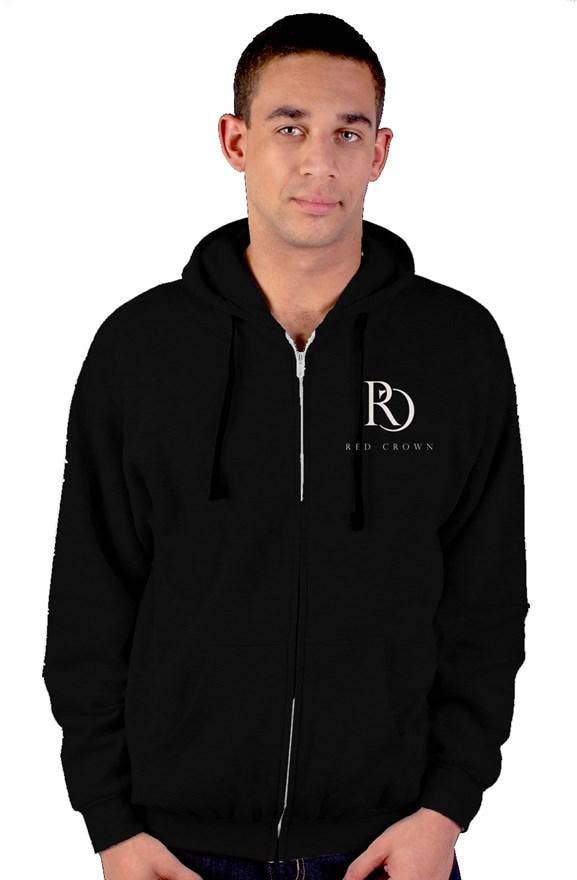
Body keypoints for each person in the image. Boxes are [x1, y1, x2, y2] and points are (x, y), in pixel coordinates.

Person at [41, 12, 529, 880]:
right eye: (290, 127)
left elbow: (485, 599)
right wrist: (109, 823)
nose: (319, 163)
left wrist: (445, 810)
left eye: (348, 132)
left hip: (389, 846)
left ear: (379, 152)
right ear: (236, 141)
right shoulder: (140, 348)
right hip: (175, 850)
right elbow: (89, 597)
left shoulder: (455, 347)